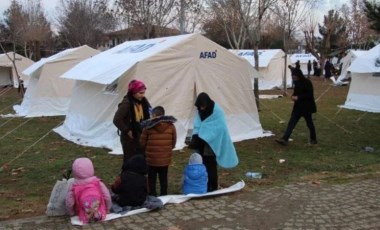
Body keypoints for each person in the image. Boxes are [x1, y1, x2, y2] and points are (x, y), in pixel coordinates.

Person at [188, 92, 239, 192]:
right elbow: (198, 124)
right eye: (200, 107)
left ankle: (213, 186)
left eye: (203, 106)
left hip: (212, 144)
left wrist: (206, 135)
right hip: (201, 143)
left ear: (207, 103)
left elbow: (220, 128)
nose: (201, 108)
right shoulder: (200, 111)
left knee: (211, 165)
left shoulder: (217, 111)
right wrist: (196, 136)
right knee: (202, 165)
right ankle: (205, 186)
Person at [139, 106, 177, 196]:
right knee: (163, 178)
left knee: (152, 178)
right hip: (165, 158)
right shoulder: (171, 126)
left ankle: (153, 195)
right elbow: (174, 141)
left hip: (152, 159)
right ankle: (164, 195)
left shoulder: (148, 127)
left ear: (154, 115)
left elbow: (142, 143)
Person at [275, 68, 317, 146]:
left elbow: (309, 95)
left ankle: (313, 139)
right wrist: (293, 96)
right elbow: (296, 93)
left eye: (294, 76)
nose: (293, 78)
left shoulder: (307, 82)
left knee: (309, 123)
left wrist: (298, 97)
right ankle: (285, 139)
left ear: (298, 75)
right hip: (298, 107)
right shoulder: (296, 83)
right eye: (292, 76)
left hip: (306, 107)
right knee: (292, 122)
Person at [113, 79, 151, 163]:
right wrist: (127, 130)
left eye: (143, 92)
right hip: (129, 138)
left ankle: (139, 175)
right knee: (129, 160)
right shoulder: (126, 103)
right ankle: (127, 175)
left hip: (141, 135)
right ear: (133, 92)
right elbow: (117, 120)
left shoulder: (143, 101)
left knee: (141, 158)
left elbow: (150, 111)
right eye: (140, 93)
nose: (143, 95)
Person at [65, 158, 112, 224]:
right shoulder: (97, 182)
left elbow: (69, 202)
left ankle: (87, 215)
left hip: (82, 214)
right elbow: (107, 196)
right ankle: (98, 213)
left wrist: (71, 213)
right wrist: (108, 209)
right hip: (101, 210)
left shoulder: (74, 187)